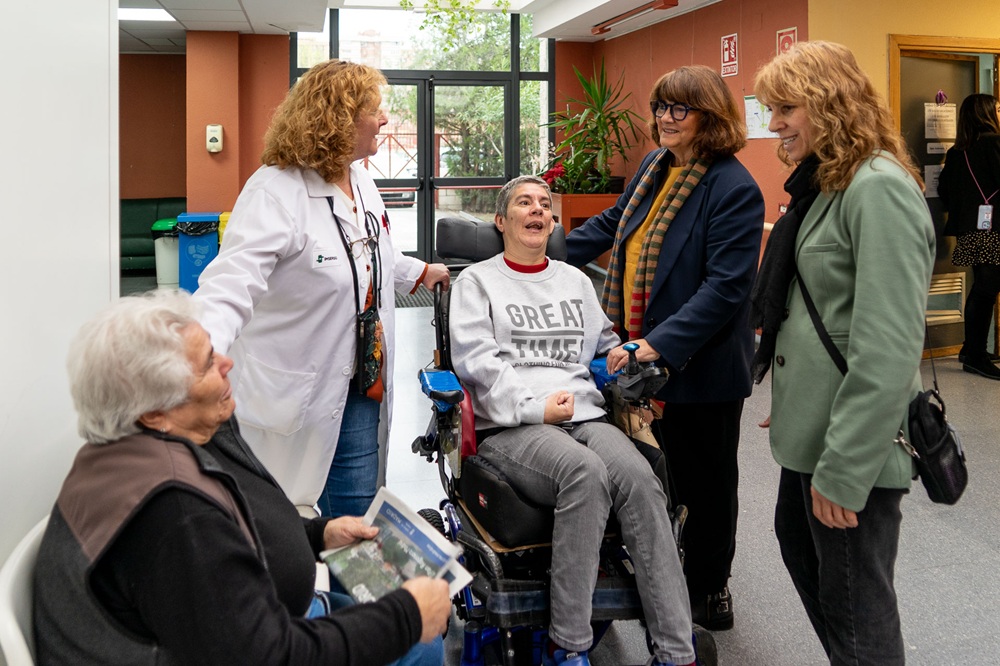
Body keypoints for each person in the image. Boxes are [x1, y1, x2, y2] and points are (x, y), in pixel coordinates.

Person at [33, 291, 451, 666]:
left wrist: (318, 534)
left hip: (268, 617)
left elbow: (230, 534)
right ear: (155, 410)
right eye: (207, 365)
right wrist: (407, 617)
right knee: (421, 644)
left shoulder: (125, 452)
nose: (227, 363)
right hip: (271, 641)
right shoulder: (175, 515)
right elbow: (269, 655)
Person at [449, 176, 700, 666]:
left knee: (641, 480)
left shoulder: (576, 280)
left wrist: (625, 360)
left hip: (585, 414)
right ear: (501, 221)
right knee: (583, 473)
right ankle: (567, 645)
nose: (537, 210)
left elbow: (603, 348)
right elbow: (477, 363)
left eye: (545, 204)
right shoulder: (477, 282)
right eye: (524, 202)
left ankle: (676, 651)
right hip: (515, 426)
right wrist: (534, 408)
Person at [194, 59, 450, 517]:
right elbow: (231, 282)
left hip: (362, 382)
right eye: (375, 109)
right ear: (340, 118)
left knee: (354, 513)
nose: (385, 118)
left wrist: (419, 271)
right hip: (300, 389)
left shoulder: (362, 181)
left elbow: (372, 254)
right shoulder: (276, 191)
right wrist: (198, 352)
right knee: (295, 519)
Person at [751, 41, 935, 665]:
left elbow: (889, 347)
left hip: (851, 444)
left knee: (857, 609)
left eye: (786, 109)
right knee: (809, 559)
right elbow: (824, 314)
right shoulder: (831, 184)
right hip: (815, 424)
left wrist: (845, 471)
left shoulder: (878, 187)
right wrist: (796, 387)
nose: (774, 124)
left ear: (829, 103)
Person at [564, 65, 765, 630]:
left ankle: (709, 586)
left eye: (679, 108)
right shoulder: (656, 167)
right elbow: (613, 223)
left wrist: (656, 344)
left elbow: (726, 288)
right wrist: (538, 252)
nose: (664, 118)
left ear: (711, 117)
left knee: (706, 485)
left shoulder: (733, 187)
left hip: (698, 367)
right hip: (638, 356)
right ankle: (662, 568)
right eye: (660, 106)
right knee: (655, 473)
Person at [938, 93, 1000, 380]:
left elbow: (945, 192)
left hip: (971, 228)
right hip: (993, 227)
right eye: (997, 108)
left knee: (983, 285)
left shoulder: (957, 151)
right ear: (986, 113)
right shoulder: (994, 142)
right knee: (987, 288)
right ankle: (975, 356)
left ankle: (969, 349)